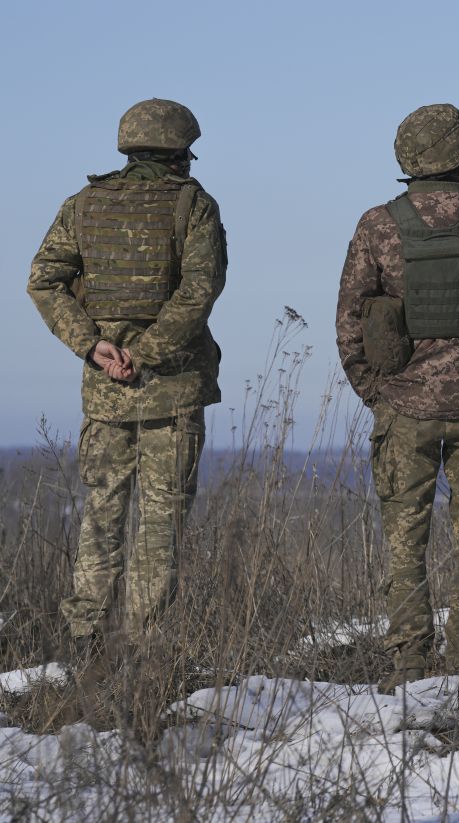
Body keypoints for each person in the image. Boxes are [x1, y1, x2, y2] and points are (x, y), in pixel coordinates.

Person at [336, 104, 459, 692]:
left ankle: (409, 669)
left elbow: (349, 321)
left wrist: (377, 394)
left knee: (405, 547)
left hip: (404, 412)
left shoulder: (378, 224)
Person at [27, 98, 227, 665]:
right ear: (181, 151)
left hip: (106, 394)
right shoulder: (194, 205)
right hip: (175, 391)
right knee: (160, 526)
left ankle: (84, 642)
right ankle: (143, 649)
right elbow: (199, 289)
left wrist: (94, 346)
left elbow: (45, 281)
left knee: (101, 515)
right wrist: (149, 353)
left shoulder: (83, 204)